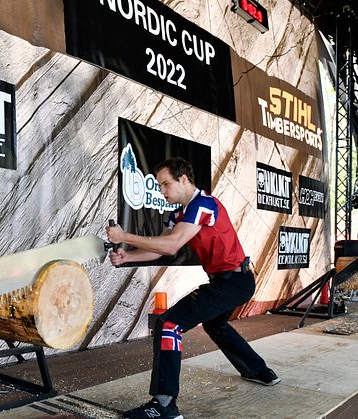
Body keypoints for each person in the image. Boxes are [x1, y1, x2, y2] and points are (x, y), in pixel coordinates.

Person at [106, 157, 279, 419]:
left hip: (235, 281)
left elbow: (172, 246)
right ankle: (260, 371)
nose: (162, 191)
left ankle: (164, 405)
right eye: (159, 185)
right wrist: (127, 256)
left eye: (166, 184)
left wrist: (124, 237)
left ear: (184, 179)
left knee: (168, 324)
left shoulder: (203, 205)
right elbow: (158, 249)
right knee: (214, 324)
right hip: (228, 281)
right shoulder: (179, 214)